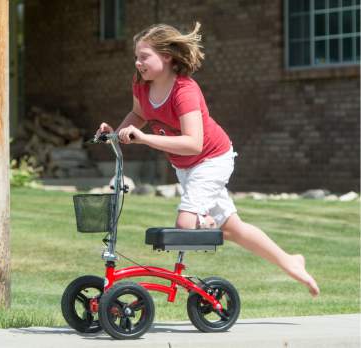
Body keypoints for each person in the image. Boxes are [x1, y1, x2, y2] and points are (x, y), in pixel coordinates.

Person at [96, 23, 320, 297]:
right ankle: (290, 261)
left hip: (212, 159)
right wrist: (116, 134)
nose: (138, 62)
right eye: (137, 56)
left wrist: (143, 138)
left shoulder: (184, 91)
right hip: (185, 166)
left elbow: (194, 143)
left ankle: (204, 223)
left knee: (185, 225)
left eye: (144, 56)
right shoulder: (141, 84)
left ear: (166, 56)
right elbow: (138, 114)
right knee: (235, 229)